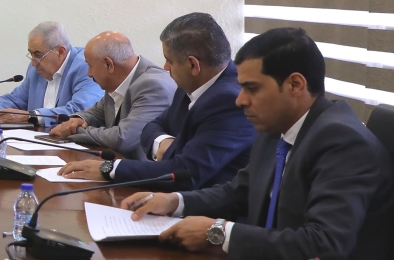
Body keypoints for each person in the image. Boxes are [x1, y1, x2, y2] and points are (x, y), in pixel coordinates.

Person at [121, 27, 394, 260]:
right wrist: (175, 201)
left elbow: (323, 244)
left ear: (295, 85)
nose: (240, 100)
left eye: (252, 88)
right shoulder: (277, 127)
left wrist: (217, 232)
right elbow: (239, 192)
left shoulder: (342, 142)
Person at [60, 13, 254, 187]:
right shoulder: (190, 86)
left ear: (193, 65)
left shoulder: (229, 100)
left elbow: (185, 172)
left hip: (206, 206)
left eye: (169, 60)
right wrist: (162, 142)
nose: (165, 67)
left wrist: (109, 169)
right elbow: (152, 126)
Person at [48, 31, 174, 158]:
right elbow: (96, 113)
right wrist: (78, 119)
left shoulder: (153, 86)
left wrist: (74, 130)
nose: (89, 73)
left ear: (109, 64)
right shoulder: (116, 81)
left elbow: (124, 138)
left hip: (143, 168)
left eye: (90, 65)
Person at [0, 22, 102, 125]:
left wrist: (30, 117)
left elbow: (81, 111)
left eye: (38, 54)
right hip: (36, 141)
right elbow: (17, 99)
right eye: (31, 54)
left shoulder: (85, 66)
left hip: (73, 144)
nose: (33, 62)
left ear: (60, 52)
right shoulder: (37, 69)